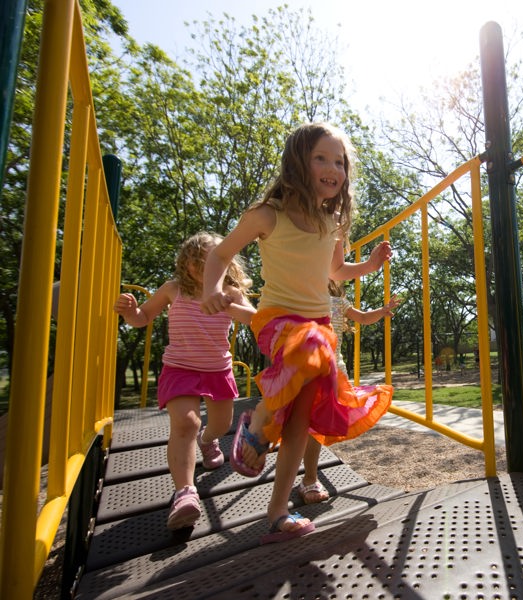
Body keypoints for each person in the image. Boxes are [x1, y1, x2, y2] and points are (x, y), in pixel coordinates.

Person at [201, 122, 393, 544]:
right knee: (313, 347)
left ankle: (276, 512)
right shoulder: (269, 214)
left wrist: (371, 266)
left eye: (339, 162)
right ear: (297, 164)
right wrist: (213, 288)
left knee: (301, 423)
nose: (333, 168)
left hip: (317, 329)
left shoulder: (331, 223)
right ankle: (259, 423)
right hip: (278, 321)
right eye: (320, 158)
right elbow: (220, 254)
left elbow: (336, 272)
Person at [115, 232, 255, 531]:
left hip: (217, 369)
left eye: (216, 260)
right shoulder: (173, 290)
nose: (207, 266)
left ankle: (208, 441)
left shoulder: (230, 292)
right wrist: (130, 312)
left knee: (218, 425)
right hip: (180, 368)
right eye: (199, 260)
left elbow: (254, 319)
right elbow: (142, 318)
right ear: (187, 264)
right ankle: (185, 494)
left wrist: (227, 303)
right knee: (186, 424)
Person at [298, 280, 401, 504]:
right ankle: (305, 475)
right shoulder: (301, 298)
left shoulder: (338, 303)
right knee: (304, 424)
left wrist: (382, 310)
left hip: (333, 373)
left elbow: (363, 317)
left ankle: (309, 478)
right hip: (307, 371)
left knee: (314, 426)